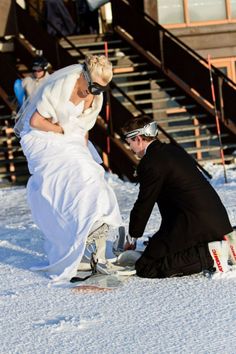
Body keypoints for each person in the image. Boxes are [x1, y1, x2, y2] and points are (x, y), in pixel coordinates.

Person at [14, 55, 122, 282]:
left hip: (70, 136)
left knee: (89, 172)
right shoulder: (60, 85)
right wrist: (62, 131)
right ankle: (73, 233)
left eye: (100, 89)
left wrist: (82, 150)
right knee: (66, 177)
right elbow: (35, 121)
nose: (94, 92)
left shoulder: (95, 97)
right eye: (92, 86)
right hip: (42, 135)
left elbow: (84, 128)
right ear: (83, 76)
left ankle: (94, 225)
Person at [122, 115, 233, 278]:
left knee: (146, 267)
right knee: (154, 248)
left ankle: (209, 255)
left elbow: (144, 204)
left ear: (138, 138)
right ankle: (223, 243)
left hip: (192, 224)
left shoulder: (151, 162)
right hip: (213, 220)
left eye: (129, 142)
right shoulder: (172, 151)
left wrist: (133, 237)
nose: (129, 147)